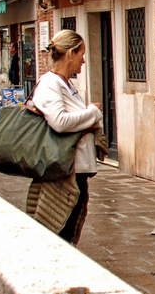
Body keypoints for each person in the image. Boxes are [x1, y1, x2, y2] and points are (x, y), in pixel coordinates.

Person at [30, 29, 103, 243]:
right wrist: (92, 112)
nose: (83, 61)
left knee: (71, 227)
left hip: (76, 169)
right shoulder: (50, 84)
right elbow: (59, 122)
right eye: (81, 54)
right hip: (64, 171)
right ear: (70, 54)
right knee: (61, 229)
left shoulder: (65, 84)